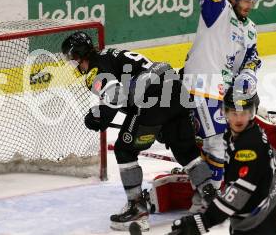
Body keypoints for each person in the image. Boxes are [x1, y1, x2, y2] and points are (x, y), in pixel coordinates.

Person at [61, 31, 201, 231]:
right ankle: (208, 197)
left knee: (124, 150)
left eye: (72, 58)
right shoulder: (109, 55)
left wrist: (98, 117)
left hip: (153, 97)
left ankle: (137, 209)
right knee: (185, 150)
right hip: (175, 89)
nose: (73, 64)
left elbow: (116, 98)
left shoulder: (95, 70)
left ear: (80, 54)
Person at [182, 0, 262, 211]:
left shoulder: (251, 28)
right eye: (246, 0)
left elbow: (252, 57)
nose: (250, 5)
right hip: (202, 81)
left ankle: (214, 185)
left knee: (222, 139)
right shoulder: (217, 12)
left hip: (224, 89)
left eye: (253, 1)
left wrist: (249, 74)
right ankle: (205, 201)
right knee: (214, 140)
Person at [169, 87, 276, 235]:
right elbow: (275, 159)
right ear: (225, 113)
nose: (239, 119)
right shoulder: (245, 133)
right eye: (234, 113)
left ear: (251, 113)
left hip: (256, 224)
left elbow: (238, 195)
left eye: (244, 113)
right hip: (257, 216)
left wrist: (203, 221)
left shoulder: (248, 148)